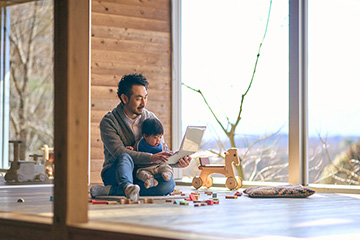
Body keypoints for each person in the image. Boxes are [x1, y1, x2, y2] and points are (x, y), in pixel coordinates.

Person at [90, 73, 191, 201]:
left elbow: (159, 151)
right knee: (125, 156)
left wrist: (176, 161)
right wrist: (151, 158)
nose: (143, 103)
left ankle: (111, 191)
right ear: (124, 98)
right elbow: (119, 152)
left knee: (168, 184)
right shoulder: (109, 121)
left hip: (144, 173)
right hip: (117, 173)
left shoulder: (151, 118)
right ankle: (126, 187)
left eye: (145, 98)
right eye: (138, 98)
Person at [129, 118, 174, 189]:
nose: (158, 140)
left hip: (158, 167)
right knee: (139, 173)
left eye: (160, 137)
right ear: (145, 136)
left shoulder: (162, 145)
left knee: (166, 167)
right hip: (145, 168)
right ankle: (150, 181)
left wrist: (175, 155)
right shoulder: (139, 144)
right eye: (155, 137)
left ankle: (167, 174)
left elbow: (169, 153)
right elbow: (134, 154)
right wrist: (130, 149)